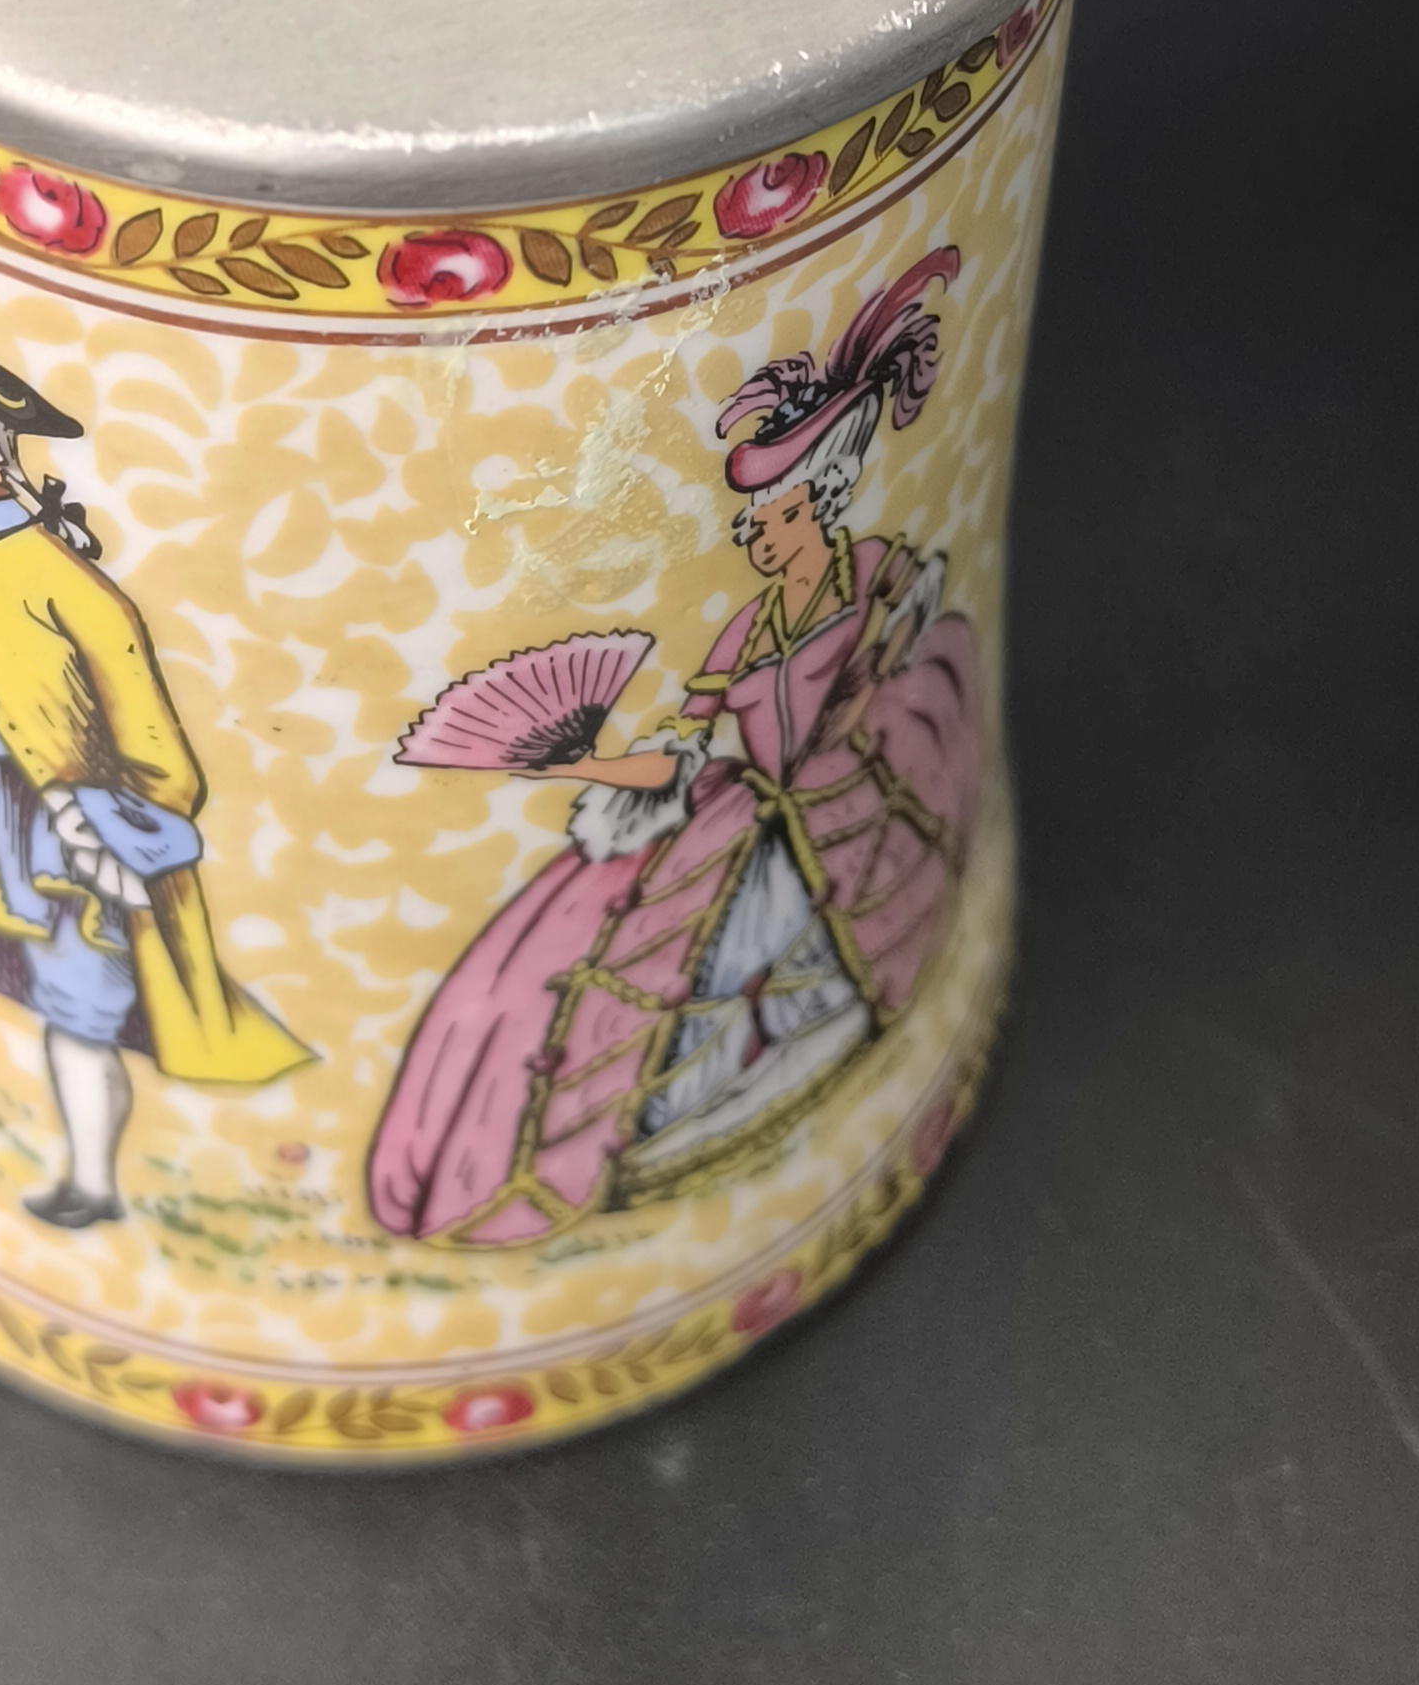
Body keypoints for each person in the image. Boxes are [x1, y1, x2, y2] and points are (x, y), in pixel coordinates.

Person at [368, 251, 985, 1246]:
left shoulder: (877, 576)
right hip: (756, 819)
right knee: (648, 969)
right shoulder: (743, 634)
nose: (753, 538)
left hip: (854, 804)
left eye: (769, 518)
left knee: (788, 954)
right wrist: (577, 765)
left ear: (819, 504)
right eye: (751, 521)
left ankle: (814, 1082)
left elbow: (917, 646)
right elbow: (680, 757)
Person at [0, 293, 307, 1227]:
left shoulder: (70, 584)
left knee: (79, 997)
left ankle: (92, 1182)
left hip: (60, 820)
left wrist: (124, 822)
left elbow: (156, 743)